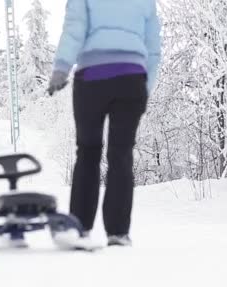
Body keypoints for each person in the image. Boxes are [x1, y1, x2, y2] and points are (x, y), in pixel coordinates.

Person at [47, 0, 162, 247]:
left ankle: (79, 227)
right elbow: (154, 49)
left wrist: (61, 68)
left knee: (88, 151)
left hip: (92, 77)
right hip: (132, 79)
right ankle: (118, 232)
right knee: (121, 154)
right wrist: (145, 87)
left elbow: (74, 28)